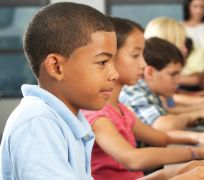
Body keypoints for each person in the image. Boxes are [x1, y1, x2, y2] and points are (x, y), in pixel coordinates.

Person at [82, 17, 204, 180]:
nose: (143, 64)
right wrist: (195, 153)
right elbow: (133, 159)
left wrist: (198, 142)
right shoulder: (97, 114)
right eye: (136, 55)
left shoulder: (120, 108)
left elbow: (162, 137)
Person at [0, 2, 118, 179]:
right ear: (56, 67)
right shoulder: (39, 123)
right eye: (102, 62)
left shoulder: (66, 118)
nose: (115, 74)